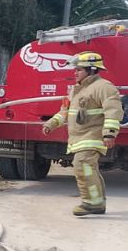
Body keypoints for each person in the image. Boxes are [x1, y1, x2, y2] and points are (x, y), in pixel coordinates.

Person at [42, 51, 121, 216]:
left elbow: (113, 111)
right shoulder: (76, 90)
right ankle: (98, 202)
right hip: (78, 138)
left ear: (91, 70)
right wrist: (51, 123)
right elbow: (64, 112)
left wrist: (109, 133)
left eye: (79, 69)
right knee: (89, 168)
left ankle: (90, 203)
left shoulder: (104, 87)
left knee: (83, 165)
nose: (75, 72)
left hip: (93, 137)